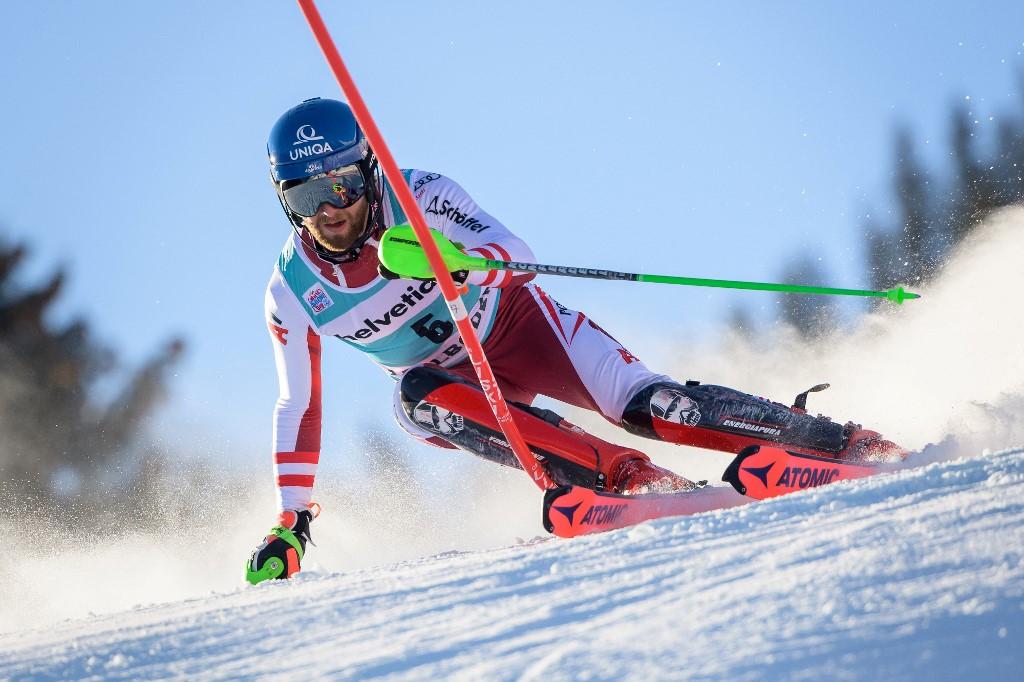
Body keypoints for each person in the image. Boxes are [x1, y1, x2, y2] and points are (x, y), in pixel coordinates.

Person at [246, 97, 902, 584]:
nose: (328, 210)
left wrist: (453, 259)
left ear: (365, 171)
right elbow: (299, 405)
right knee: (413, 400)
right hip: (460, 390)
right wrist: (292, 520)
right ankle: (629, 479)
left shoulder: (419, 196)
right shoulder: (292, 289)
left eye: (341, 186)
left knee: (654, 406)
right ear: (284, 200)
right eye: (304, 197)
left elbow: (516, 254)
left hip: (518, 325)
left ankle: (832, 442)